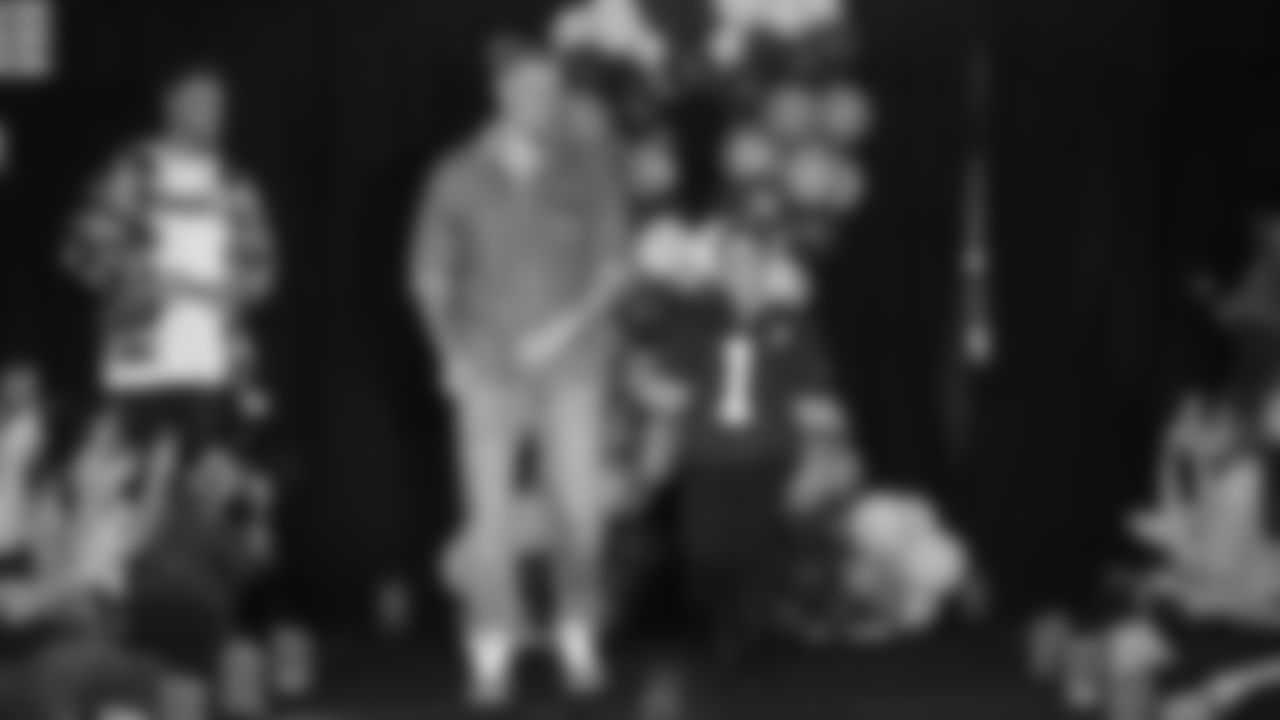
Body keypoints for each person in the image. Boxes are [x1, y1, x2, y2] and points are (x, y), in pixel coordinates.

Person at [408, 38, 630, 710]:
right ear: (500, 92)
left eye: (553, 90)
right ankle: (491, 652)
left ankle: (577, 637)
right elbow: (428, 276)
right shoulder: (456, 172)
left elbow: (615, 270)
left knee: (579, 514)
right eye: (532, 88)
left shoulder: (588, 165)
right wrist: (447, 355)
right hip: (485, 370)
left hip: (573, 369)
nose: (545, 101)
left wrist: (562, 330)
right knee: (489, 519)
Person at [628, 236, 844, 664]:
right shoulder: (697, 323)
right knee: (702, 549)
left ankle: (746, 638)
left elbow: (813, 397)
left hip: (768, 453)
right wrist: (641, 383)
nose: (740, 273)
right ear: (721, 272)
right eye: (731, 264)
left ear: (765, 268)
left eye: (749, 263)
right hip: (707, 455)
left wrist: (819, 455)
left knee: (755, 550)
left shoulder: (791, 324)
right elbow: (672, 395)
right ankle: (731, 621)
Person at [63, 65, 276, 497]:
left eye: (220, 105)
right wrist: (138, 277)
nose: (214, 114)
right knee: (132, 493)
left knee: (206, 501)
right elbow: (82, 251)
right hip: (138, 366)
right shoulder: (132, 169)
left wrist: (229, 289)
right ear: (170, 106)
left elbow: (262, 271)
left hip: (212, 367)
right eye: (201, 103)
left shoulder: (234, 182)